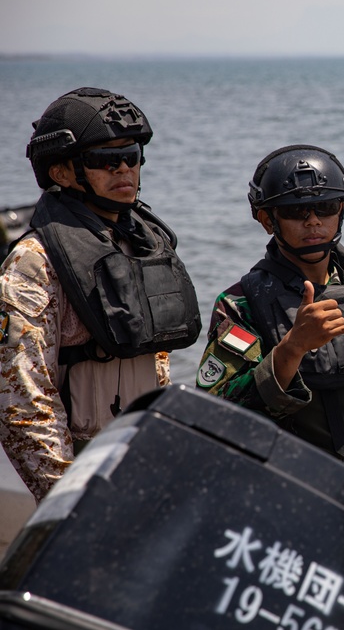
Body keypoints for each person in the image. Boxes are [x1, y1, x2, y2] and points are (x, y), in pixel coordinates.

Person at [195, 145, 344, 523]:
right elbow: (215, 414)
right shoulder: (242, 304)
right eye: (296, 212)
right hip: (289, 496)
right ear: (266, 219)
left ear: (340, 210)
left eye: (325, 208)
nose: (313, 222)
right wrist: (292, 349)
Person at [0, 87, 202, 502]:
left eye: (132, 156)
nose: (124, 169)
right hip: (85, 468)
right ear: (61, 172)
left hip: (149, 459)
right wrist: (69, 496)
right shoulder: (35, 262)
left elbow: (156, 363)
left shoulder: (142, 246)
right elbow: (21, 397)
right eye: (106, 160)